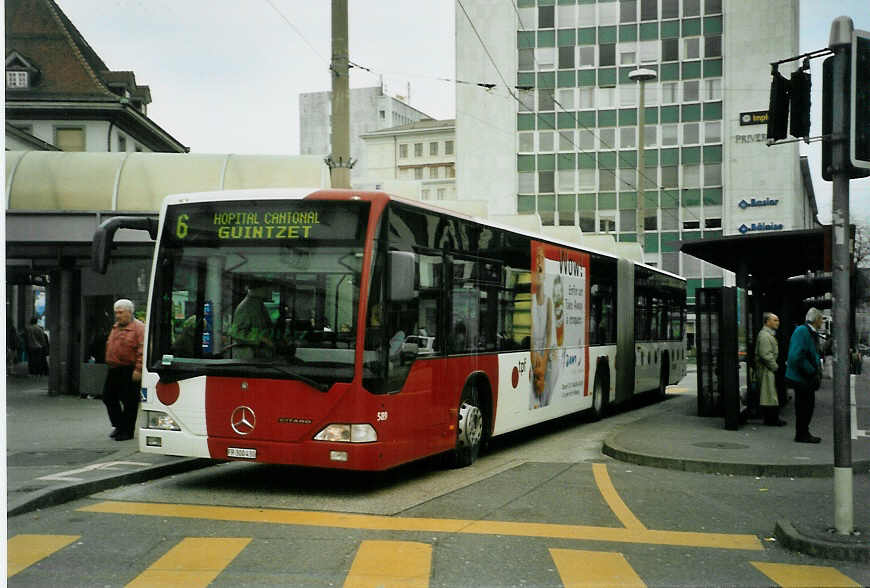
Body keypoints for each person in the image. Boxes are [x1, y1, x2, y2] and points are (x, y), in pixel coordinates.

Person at [103, 299, 144, 441]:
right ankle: (119, 425)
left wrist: (138, 369)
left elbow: (142, 349)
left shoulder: (139, 328)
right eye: (116, 313)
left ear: (130, 312)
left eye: (121, 312)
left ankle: (127, 431)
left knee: (129, 402)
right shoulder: (116, 326)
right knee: (108, 397)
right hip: (114, 368)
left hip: (129, 369)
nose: (118, 315)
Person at [785, 307, 824, 443]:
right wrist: (811, 370)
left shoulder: (808, 331)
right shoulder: (802, 331)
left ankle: (803, 432)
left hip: (804, 377)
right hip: (802, 378)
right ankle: (802, 434)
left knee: (807, 406)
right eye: (821, 319)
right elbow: (796, 356)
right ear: (816, 319)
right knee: (804, 407)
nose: (822, 322)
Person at [755, 312, 785, 426]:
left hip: (768, 369)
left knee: (770, 394)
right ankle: (771, 419)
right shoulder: (764, 335)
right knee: (769, 394)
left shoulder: (767, 334)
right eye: (775, 320)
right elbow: (765, 354)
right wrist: (775, 367)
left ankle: (772, 418)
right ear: (767, 322)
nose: (778, 322)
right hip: (767, 370)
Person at [228, 284, 273, 359]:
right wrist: (262, 339)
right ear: (259, 290)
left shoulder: (258, 304)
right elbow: (236, 333)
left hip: (258, 354)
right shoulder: (246, 307)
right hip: (248, 356)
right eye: (266, 288)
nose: (269, 291)